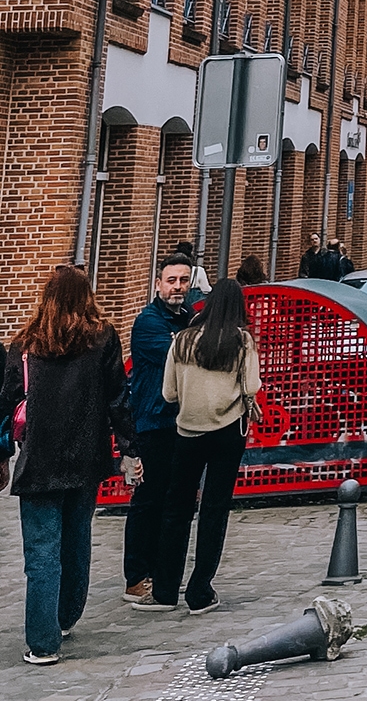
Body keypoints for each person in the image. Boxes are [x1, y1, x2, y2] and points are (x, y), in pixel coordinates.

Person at [0, 266, 138, 666]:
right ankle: (65, 616)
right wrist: (130, 447)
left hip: (39, 459)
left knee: (41, 554)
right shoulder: (103, 338)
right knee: (77, 540)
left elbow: (6, 401)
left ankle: (42, 643)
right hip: (86, 456)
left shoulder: (26, 342)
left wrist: (2, 454)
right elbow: (118, 397)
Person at [134, 280, 259, 615]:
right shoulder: (240, 340)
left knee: (176, 509)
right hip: (228, 431)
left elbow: (169, 394)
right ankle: (200, 591)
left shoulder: (182, 340)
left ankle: (164, 591)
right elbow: (252, 385)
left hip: (187, 432)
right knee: (214, 510)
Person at [121, 255, 197, 603]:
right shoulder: (148, 322)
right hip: (154, 421)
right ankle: (136, 577)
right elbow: (183, 357)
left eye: (183, 280)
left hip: (183, 421)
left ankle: (162, 571)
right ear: (158, 284)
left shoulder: (189, 318)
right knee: (148, 500)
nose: (177, 286)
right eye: (171, 280)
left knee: (173, 500)